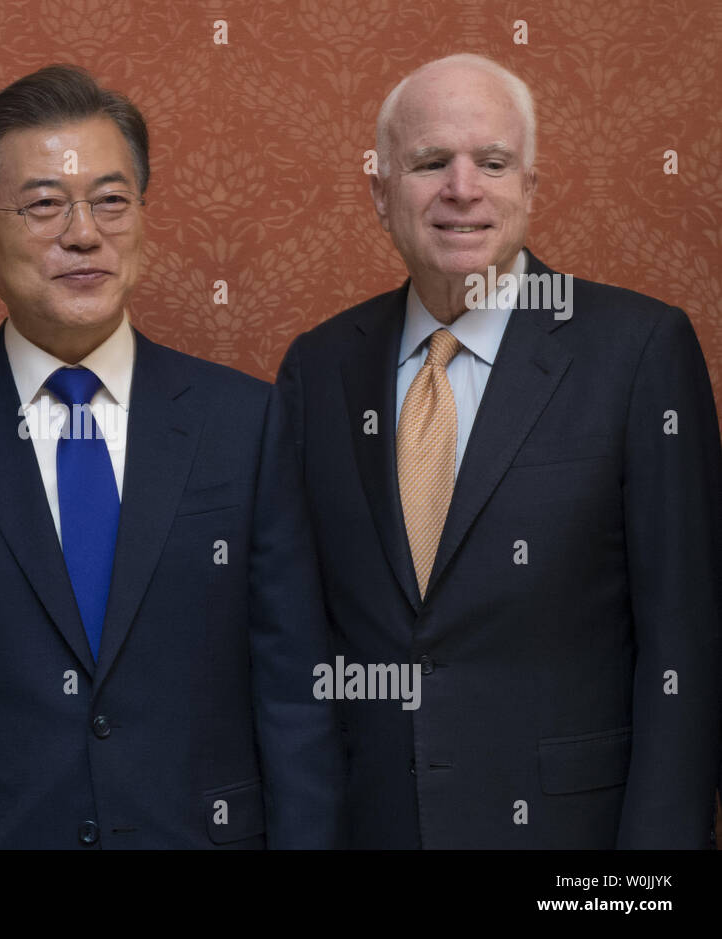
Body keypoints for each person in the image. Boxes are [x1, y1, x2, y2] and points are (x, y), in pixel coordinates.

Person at [0, 65, 341, 849]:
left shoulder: (243, 420)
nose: (83, 232)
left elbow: (296, 695)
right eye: (43, 204)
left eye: (111, 200)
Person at [276, 52, 722, 847]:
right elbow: (299, 644)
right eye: (428, 163)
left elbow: (684, 643)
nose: (461, 189)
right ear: (380, 192)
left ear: (528, 188)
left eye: (492, 162)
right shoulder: (320, 367)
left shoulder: (639, 350)